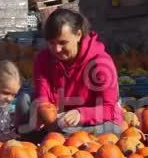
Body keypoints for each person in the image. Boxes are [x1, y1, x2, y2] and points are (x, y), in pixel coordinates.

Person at [16, 9, 123, 139]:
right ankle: (32, 144)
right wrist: (42, 110)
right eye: (51, 43)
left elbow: (110, 109)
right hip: (60, 119)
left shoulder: (100, 63)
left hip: (90, 121)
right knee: (24, 100)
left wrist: (81, 114)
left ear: (78, 35)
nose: (57, 49)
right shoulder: (43, 59)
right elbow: (43, 94)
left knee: (108, 129)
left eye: (62, 43)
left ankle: (52, 138)